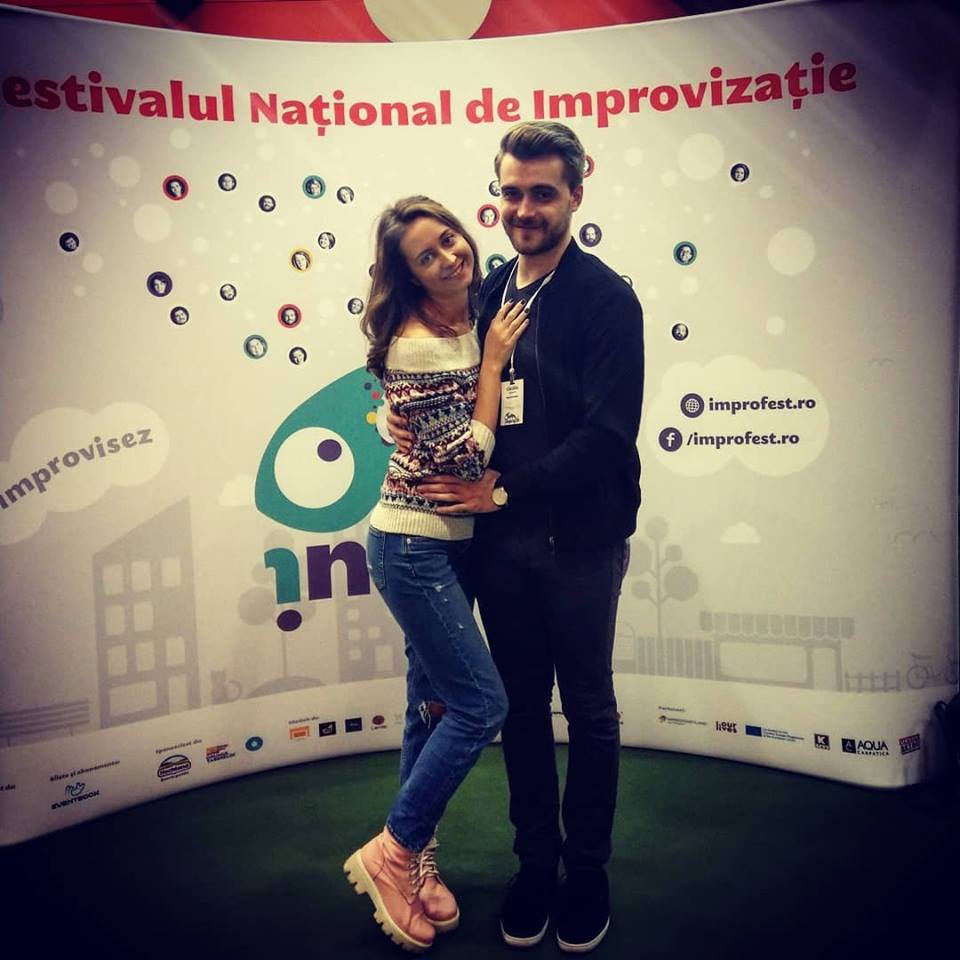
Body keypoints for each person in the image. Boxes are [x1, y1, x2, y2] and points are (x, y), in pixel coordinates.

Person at [415, 121, 644, 954]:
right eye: (511, 193)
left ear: (576, 194)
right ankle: (535, 867)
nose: (524, 209)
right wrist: (407, 427)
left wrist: (505, 488)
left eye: (542, 193)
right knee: (518, 712)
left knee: (588, 710)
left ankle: (587, 872)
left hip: (581, 543)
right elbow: (459, 395)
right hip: (502, 548)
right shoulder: (488, 292)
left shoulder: (606, 299)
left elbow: (607, 435)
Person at [343, 196, 529, 954]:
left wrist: (390, 415)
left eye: (450, 238)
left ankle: (416, 862)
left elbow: (416, 417)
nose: (450, 256)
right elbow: (466, 458)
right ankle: (393, 851)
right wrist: (492, 364)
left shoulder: (477, 305)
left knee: (430, 706)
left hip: (449, 546)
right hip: (413, 547)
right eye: (427, 256)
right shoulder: (427, 342)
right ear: (409, 276)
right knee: (481, 705)